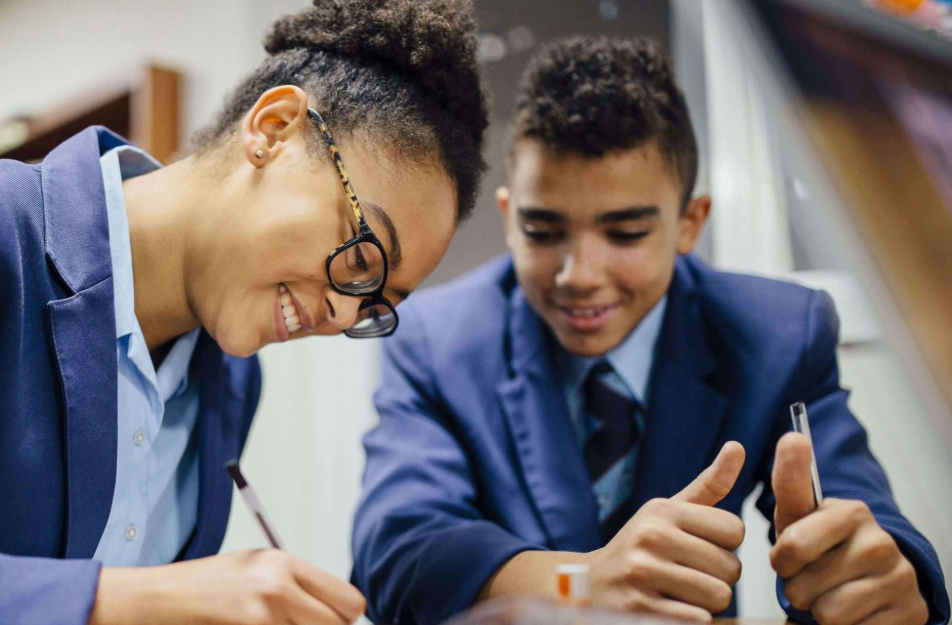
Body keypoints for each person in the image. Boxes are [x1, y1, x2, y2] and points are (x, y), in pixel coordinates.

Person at [0, 1, 488, 624]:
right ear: (273, 128)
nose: (341, 313)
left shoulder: (232, 381)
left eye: (376, 306)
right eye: (362, 257)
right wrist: (122, 600)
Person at [351, 36, 948, 625]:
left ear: (690, 223)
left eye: (626, 233)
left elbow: (862, 515)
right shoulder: (434, 340)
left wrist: (879, 579)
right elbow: (396, 555)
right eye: (543, 232)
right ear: (510, 219)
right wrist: (579, 583)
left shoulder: (779, 334)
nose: (579, 276)